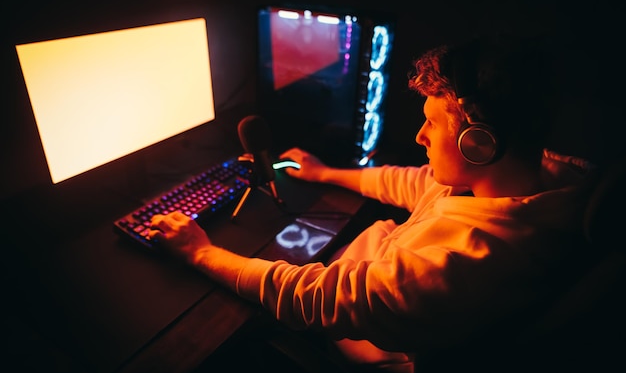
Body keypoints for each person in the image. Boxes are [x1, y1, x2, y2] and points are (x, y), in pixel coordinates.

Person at [148, 34, 596, 372]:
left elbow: (311, 298)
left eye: (432, 125)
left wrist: (200, 252)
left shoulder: (465, 266)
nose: (419, 137)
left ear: (478, 143)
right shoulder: (539, 178)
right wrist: (325, 173)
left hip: (365, 349)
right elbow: (414, 184)